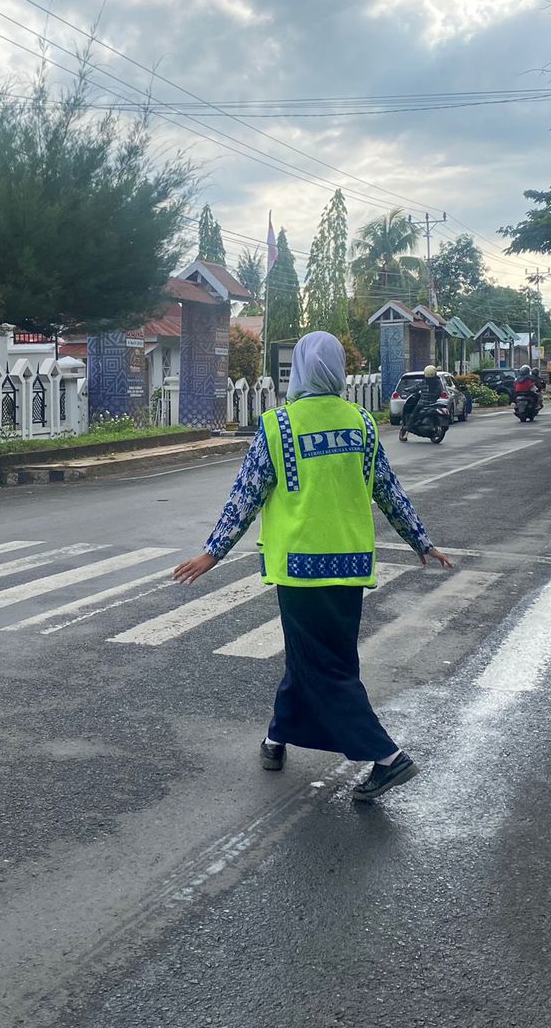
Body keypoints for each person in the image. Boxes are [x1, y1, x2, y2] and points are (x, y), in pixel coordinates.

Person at [174, 331, 454, 803]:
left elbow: (246, 497)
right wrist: (420, 542)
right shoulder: (363, 423)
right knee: (324, 659)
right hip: (349, 567)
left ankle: (387, 757)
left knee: (321, 666)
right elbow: (388, 491)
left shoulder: (277, 426)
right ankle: (277, 737)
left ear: (300, 370)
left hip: (300, 569)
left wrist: (213, 552)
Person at [398, 363, 444, 442]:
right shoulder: (438, 382)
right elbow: (440, 392)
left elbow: (415, 388)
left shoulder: (424, 382)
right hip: (434, 403)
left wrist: (407, 390)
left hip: (422, 404)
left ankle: (406, 433)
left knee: (413, 416)